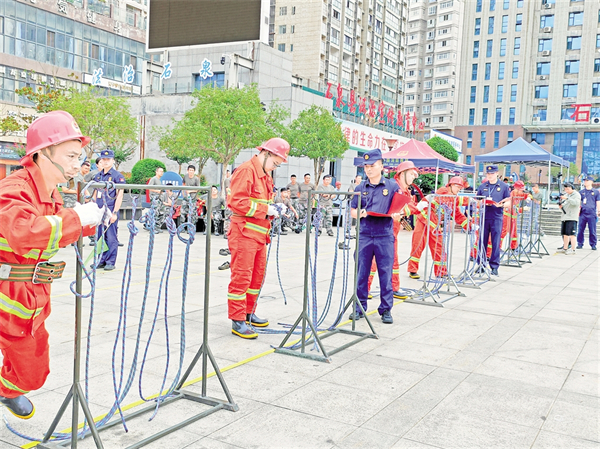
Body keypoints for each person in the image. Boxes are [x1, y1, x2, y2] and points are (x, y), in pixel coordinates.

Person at [0, 110, 103, 419]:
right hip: (7, 288)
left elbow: (53, 232)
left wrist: (90, 223)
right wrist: (75, 218)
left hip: (29, 293)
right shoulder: (14, 189)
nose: (76, 164)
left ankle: (5, 389)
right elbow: (24, 233)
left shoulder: (50, 194)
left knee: (33, 371)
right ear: (43, 153)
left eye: (78, 157)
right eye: (70, 156)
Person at [227, 137, 290, 339]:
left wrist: (275, 209)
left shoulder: (265, 175)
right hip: (244, 233)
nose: (275, 167)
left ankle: (248, 313)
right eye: (275, 163)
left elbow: (262, 202)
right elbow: (237, 202)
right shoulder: (246, 171)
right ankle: (237, 320)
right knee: (242, 277)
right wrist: (266, 209)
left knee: (256, 277)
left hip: (259, 234)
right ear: (266, 154)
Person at [350, 149, 401, 324]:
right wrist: (360, 213)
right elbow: (353, 211)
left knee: (385, 274)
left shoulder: (392, 186)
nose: (369, 169)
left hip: (384, 235)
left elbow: (399, 208)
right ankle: (359, 307)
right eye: (366, 166)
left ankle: (386, 309)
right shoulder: (360, 188)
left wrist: (397, 215)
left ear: (381, 166)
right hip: (364, 234)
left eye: (372, 165)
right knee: (361, 273)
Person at [367, 161, 419, 295]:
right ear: (402, 174)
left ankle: (394, 288)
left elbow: (407, 207)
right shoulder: (392, 187)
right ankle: (364, 289)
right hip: (381, 231)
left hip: (391, 232)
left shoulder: (404, 190)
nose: (413, 177)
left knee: (393, 260)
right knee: (373, 262)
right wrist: (417, 207)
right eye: (411, 174)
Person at [408, 176, 470, 279]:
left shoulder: (453, 199)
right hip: (424, 221)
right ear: (450, 185)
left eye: (460, 188)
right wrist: (469, 200)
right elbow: (448, 199)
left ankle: (441, 272)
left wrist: (470, 226)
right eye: (458, 187)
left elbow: (458, 215)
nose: (459, 189)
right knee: (417, 245)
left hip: (434, 225)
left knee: (439, 248)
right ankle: (412, 270)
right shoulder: (443, 191)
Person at [92, 149, 125, 271]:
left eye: (108, 159)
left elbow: (119, 195)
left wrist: (115, 212)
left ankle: (110, 261)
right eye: (103, 159)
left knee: (111, 237)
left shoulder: (117, 176)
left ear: (113, 161)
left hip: (110, 209)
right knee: (100, 236)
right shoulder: (98, 176)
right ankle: (101, 260)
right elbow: (95, 193)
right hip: (99, 210)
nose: (105, 162)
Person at [475, 165, 511, 275]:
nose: (490, 175)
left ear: (497, 174)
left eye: (492, 173)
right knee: (482, 241)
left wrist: (502, 205)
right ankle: (481, 264)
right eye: (488, 174)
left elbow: (509, 202)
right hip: (484, 216)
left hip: (496, 217)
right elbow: (477, 200)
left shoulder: (504, 186)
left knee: (496, 242)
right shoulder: (482, 186)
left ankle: (494, 266)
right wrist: (481, 203)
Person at [558, 182, 581, 254]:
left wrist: (567, 198)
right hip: (565, 217)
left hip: (572, 217)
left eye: (568, 189)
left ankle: (573, 249)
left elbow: (576, 203)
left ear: (572, 188)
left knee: (572, 234)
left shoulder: (576, 195)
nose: (566, 191)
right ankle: (565, 248)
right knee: (565, 234)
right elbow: (565, 204)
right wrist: (561, 206)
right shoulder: (566, 195)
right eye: (565, 189)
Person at [577, 176, 599, 250]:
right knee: (580, 229)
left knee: (592, 230)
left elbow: (598, 201)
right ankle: (580, 243)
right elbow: (578, 202)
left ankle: (593, 244)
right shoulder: (581, 192)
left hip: (592, 213)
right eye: (585, 181)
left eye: (587, 181)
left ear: (591, 182)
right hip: (583, 213)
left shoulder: (595, 192)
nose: (585, 182)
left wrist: (598, 211)